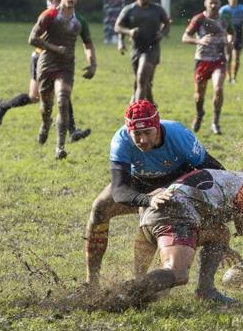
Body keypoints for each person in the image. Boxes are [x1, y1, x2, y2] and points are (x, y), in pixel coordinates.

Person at [83, 100, 224, 289]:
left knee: (156, 221)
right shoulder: (121, 140)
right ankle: (91, 282)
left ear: (157, 126)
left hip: (175, 184)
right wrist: (147, 200)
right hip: (139, 182)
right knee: (100, 207)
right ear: (128, 131)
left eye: (148, 132)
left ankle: (148, 281)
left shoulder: (179, 135)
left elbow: (215, 170)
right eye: (137, 134)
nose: (142, 140)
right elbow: (119, 190)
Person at [107, 163, 243, 310]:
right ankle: (123, 294)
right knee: (178, 273)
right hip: (173, 215)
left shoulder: (225, 180)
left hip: (151, 215)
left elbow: (209, 219)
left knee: (220, 233)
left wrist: (224, 246)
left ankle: (206, 290)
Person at [0, 0, 91, 142]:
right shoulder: (49, 16)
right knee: (34, 97)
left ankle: (72, 130)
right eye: (56, 1)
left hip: (59, 62)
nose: (61, 3)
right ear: (49, 2)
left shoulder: (69, 17)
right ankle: (4, 105)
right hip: (41, 59)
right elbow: (34, 38)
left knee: (63, 94)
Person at [28, 0, 97, 160]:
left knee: (63, 101)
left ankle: (60, 147)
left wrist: (92, 64)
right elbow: (32, 39)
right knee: (46, 106)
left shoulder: (80, 20)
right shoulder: (49, 15)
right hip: (46, 65)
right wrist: (56, 49)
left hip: (66, 67)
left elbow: (88, 43)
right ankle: (45, 124)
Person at [183, 0, 234, 135]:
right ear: (205, 4)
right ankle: (199, 114)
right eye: (211, 2)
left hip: (219, 60)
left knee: (218, 88)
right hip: (202, 61)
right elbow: (185, 37)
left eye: (216, 2)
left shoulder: (225, 18)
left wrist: (230, 40)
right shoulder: (199, 19)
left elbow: (231, 32)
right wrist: (199, 40)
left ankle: (215, 122)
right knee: (199, 95)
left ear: (220, 4)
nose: (213, 5)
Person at [115, 0, 170, 104]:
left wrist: (162, 33)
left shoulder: (158, 9)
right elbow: (118, 27)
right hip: (136, 48)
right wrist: (127, 34)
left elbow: (167, 23)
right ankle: (151, 104)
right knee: (144, 80)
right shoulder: (129, 9)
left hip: (152, 48)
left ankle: (137, 106)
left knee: (142, 76)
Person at [219, 0, 243, 83]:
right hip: (227, 34)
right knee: (228, 56)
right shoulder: (224, 10)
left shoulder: (242, 9)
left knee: (237, 58)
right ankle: (228, 76)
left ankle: (234, 77)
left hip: (239, 34)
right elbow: (219, 22)